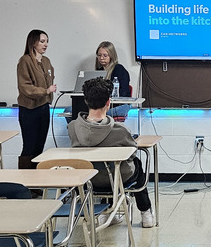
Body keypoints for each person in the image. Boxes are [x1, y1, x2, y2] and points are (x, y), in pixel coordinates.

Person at [68, 77, 155, 227]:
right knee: (135, 164)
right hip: (118, 178)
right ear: (108, 102)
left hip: (86, 180)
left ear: (86, 101)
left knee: (103, 166)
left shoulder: (73, 127)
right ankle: (146, 213)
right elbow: (131, 153)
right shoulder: (120, 130)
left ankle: (106, 212)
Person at [16, 29, 56, 169]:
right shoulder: (25, 61)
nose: (45, 45)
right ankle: (25, 182)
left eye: (47, 42)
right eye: (42, 41)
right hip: (29, 109)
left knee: (39, 146)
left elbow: (49, 79)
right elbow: (25, 87)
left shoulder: (46, 61)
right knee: (29, 146)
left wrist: (48, 91)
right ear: (33, 42)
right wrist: (45, 91)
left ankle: (36, 181)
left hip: (44, 107)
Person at [94, 41, 131, 118]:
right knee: (69, 110)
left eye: (105, 55)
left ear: (111, 56)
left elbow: (123, 93)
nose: (101, 58)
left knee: (98, 115)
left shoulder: (119, 69)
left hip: (119, 105)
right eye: (99, 55)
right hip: (101, 105)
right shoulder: (98, 72)